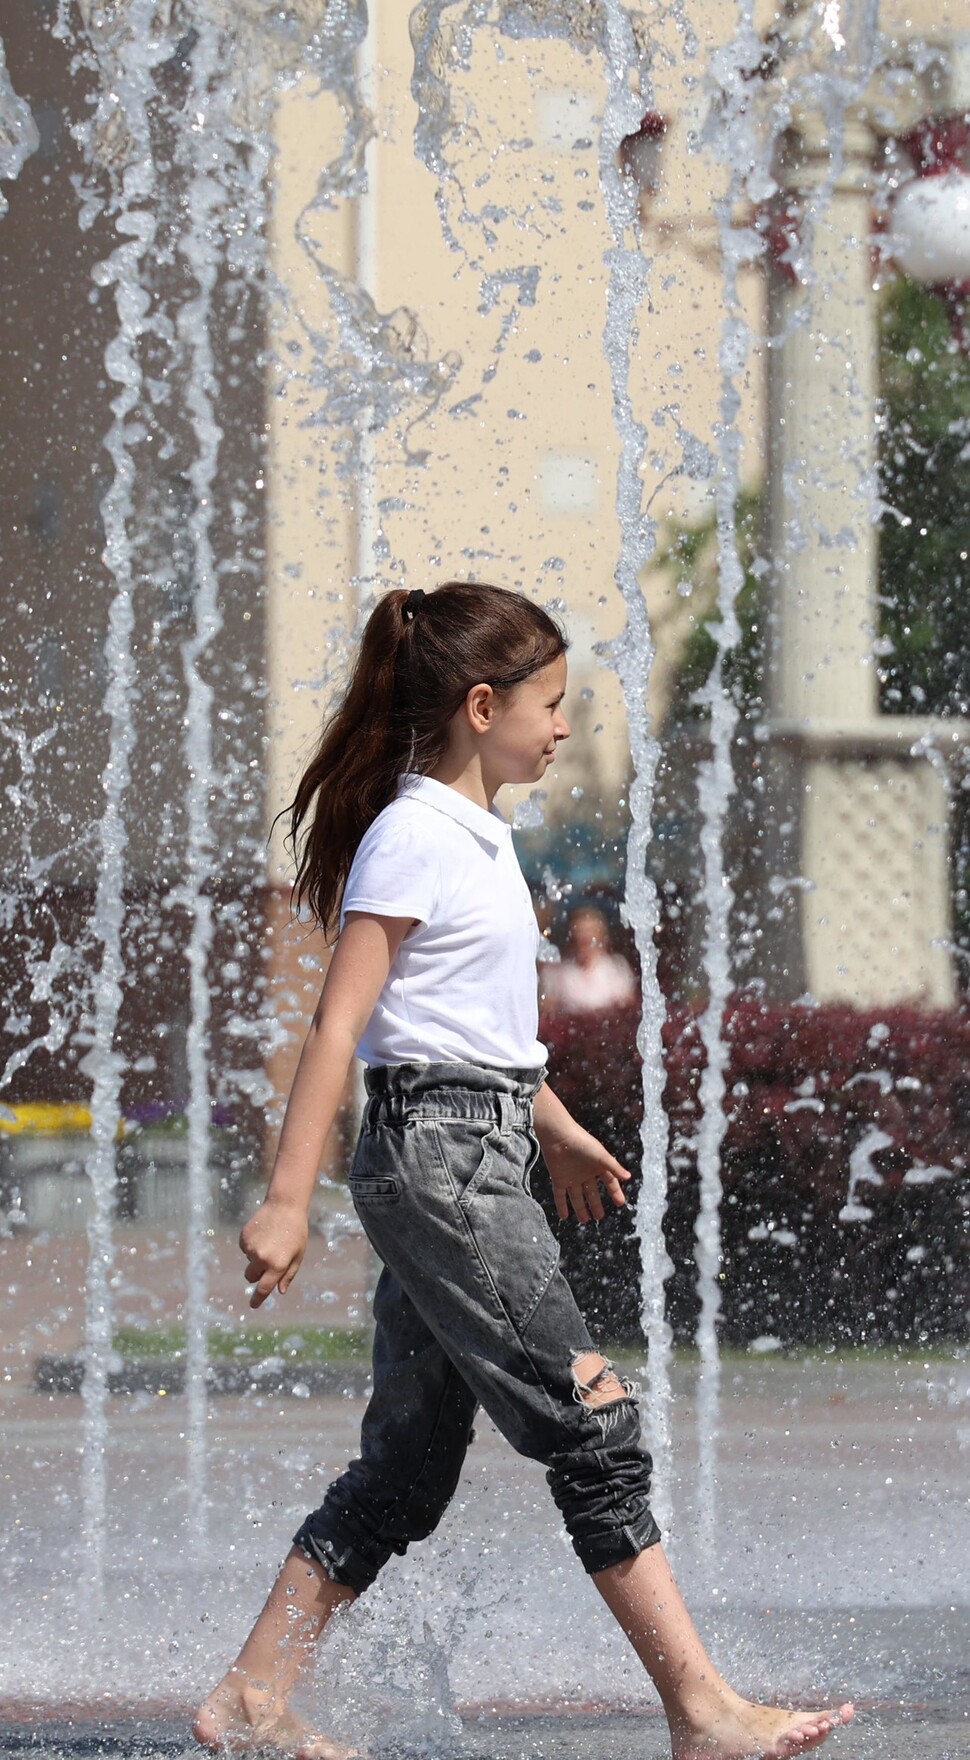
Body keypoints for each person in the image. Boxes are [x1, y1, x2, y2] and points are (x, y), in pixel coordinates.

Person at [194, 582, 852, 1760]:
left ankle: (251, 1690)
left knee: (406, 1468)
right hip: (441, 1160)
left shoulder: (476, 835)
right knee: (593, 1423)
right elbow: (341, 1026)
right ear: (480, 704)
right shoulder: (412, 833)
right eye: (549, 704)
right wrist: (287, 1197)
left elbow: (464, 1024)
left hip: (471, 1138)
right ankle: (702, 1712)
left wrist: (543, 1116)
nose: (562, 727)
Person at [541, 903, 638, 1015]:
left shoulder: (617, 969)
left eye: (590, 932)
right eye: (580, 933)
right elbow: (548, 1014)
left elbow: (628, 1012)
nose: (585, 937)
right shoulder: (557, 974)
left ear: (601, 935)